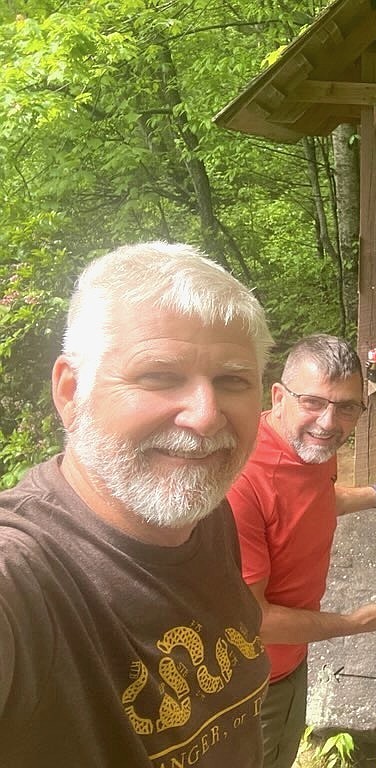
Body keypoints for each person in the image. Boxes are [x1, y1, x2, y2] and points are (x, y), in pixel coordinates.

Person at [0, 242, 275, 767]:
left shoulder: (206, 514)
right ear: (70, 390)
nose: (205, 415)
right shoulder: (23, 574)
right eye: (159, 376)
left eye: (233, 380)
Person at [227, 333, 376, 768]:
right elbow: (253, 622)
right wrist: (351, 624)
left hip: (289, 663)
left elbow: (311, 502)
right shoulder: (243, 483)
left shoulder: (307, 446)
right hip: (249, 686)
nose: (329, 422)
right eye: (314, 402)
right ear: (279, 397)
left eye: (347, 407)